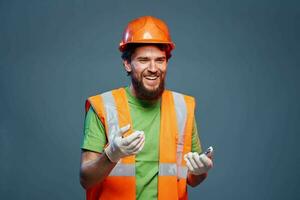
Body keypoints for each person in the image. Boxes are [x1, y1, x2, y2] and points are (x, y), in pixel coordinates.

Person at [80, 16, 213, 200]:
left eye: (160, 60)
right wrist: (111, 155)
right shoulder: (103, 106)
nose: (153, 68)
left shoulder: (183, 107)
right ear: (127, 64)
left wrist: (201, 170)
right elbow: (86, 179)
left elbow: (191, 178)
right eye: (143, 60)